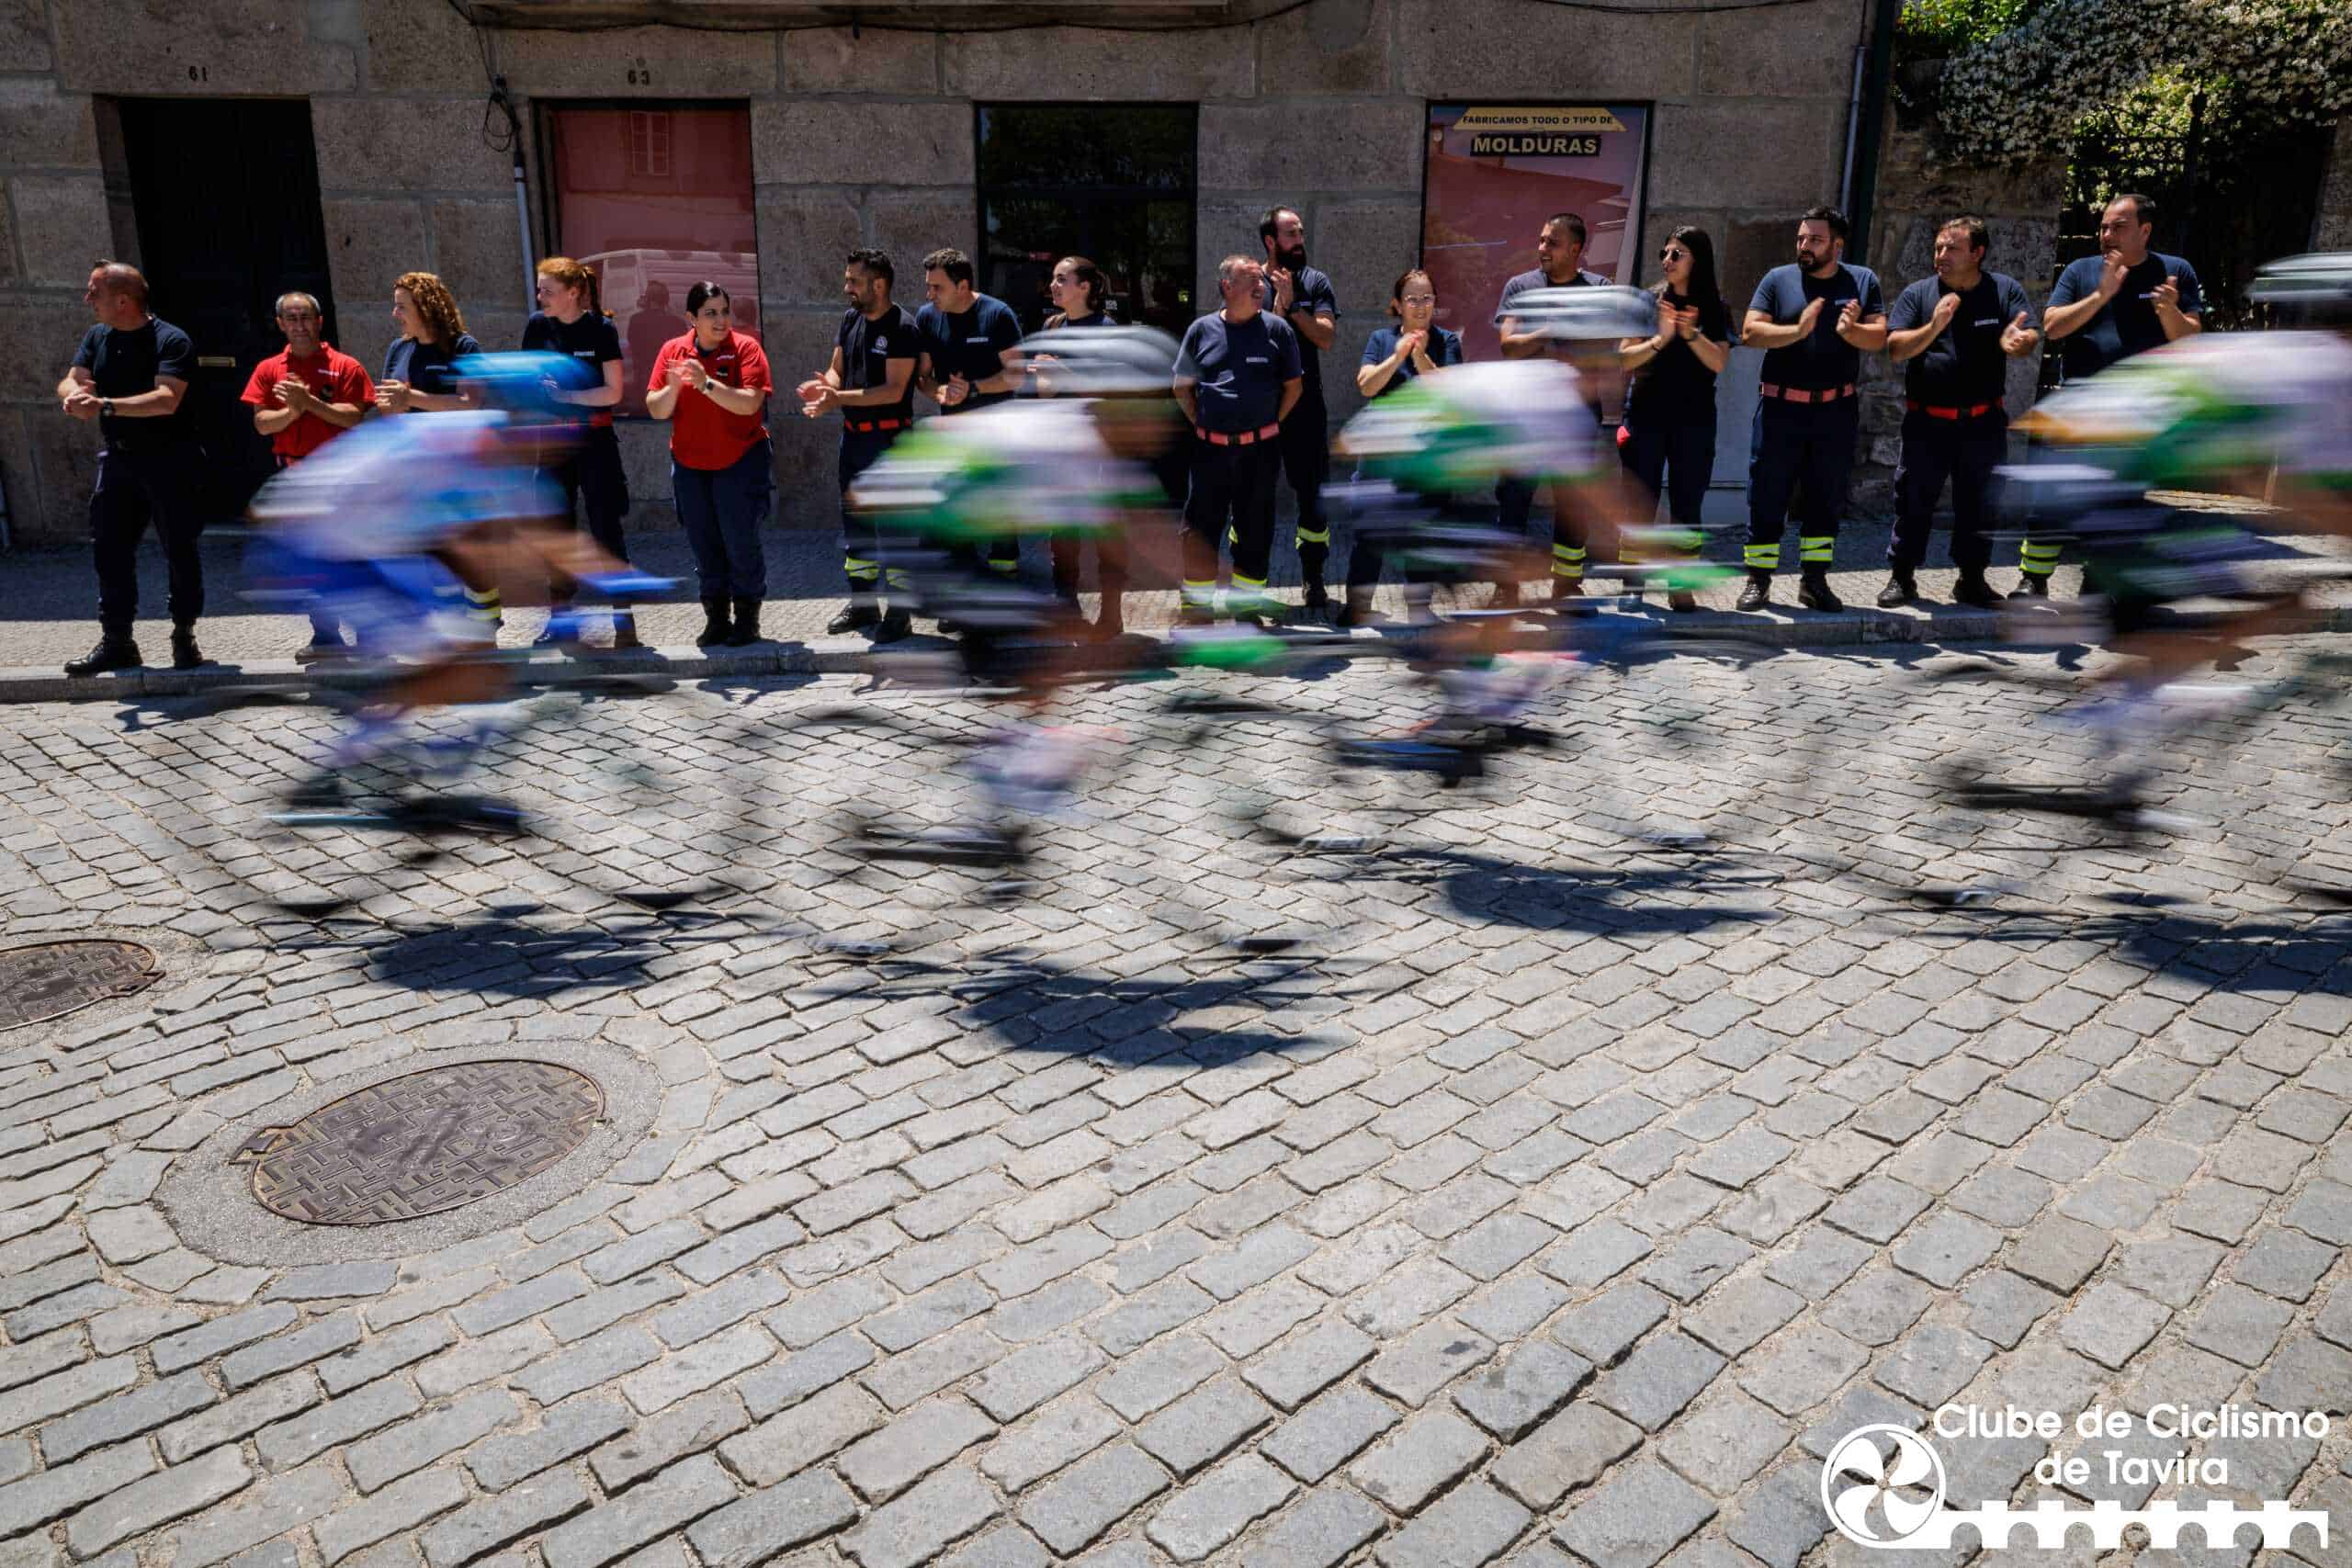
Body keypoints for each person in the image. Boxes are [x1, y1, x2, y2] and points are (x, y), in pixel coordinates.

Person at [1986, 252, 2352, 810]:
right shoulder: (2325, 370)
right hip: (2092, 476)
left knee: (2177, 610)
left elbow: (2263, 477)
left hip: (2084, 463)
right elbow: (2303, 494)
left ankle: (2122, 713)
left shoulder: (2285, 354)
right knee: (2280, 598)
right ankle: (2108, 715)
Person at [2015, 193, 2204, 599]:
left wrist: (2168, 311)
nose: (2106, 235)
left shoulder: (2174, 271)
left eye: (2118, 227)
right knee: (2052, 495)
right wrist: (2100, 295)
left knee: (2118, 501)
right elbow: (2054, 326)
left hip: (2137, 410)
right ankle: (2033, 579)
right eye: (2103, 226)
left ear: (2145, 231)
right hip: (2077, 405)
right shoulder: (2082, 271)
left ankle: (2097, 584)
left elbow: (2190, 339)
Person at [1878, 216, 2041, 609]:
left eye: (1951, 248)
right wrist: (1934, 325)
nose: (1941, 256)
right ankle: (1902, 577)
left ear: (1977, 253)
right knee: (1914, 501)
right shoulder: (1919, 294)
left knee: (1981, 503)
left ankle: (1972, 579)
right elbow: (1896, 348)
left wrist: (2016, 342)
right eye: (1937, 248)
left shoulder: (2003, 290)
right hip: (1927, 422)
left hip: (1983, 422)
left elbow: (2029, 336)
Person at [55, 261, 207, 676]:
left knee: (179, 548)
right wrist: (74, 395)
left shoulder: (170, 340)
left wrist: (104, 405)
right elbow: (71, 378)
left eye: (94, 292)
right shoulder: (97, 335)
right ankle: (118, 641)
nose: (88, 299)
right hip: (119, 459)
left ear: (122, 300)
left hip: (170, 459)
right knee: (110, 550)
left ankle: (183, 635)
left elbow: (166, 399)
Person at [1737, 204, 1887, 613]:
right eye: (1801, 237)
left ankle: (1814, 581)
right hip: (1781, 407)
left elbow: (1880, 338)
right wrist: (1797, 330)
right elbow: (1750, 332)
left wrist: (1853, 330)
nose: (1804, 245)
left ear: (1837, 245)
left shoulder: (1862, 280)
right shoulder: (1778, 280)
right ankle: (1758, 581)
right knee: (1768, 494)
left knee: (1826, 495)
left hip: (1835, 410)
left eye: (1815, 239)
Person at [241, 290, 374, 662]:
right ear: (281, 324)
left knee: (354, 555)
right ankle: (326, 636)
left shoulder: (346, 365)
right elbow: (263, 424)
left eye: (306, 318)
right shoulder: (269, 370)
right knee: (313, 561)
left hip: (343, 474)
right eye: (291, 318)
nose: (299, 325)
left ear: (319, 321)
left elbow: (353, 416)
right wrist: (294, 412)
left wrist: (309, 403)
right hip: (296, 474)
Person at [1174, 255, 1303, 624]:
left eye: (1261, 281)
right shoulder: (1201, 330)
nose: (1260, 286)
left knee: (1255, 528)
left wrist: (1266, 425)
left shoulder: (1279, 331)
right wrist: (1203, 421)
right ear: (1227, 286)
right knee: (1199, 530)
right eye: (1251, 280)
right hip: (1209, 450)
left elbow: (1294, 387)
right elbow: (1181, 387)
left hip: (1259, 451)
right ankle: (1197, 611)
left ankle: (1245, 609)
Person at [800, 248, 919, 643]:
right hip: (854, 440)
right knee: (858, 525)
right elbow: (837, 367)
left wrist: (839, 398)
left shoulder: (903, 326)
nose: (846, 286)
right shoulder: (850, 318)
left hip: (891, 440)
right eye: (847, 278)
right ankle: (864, 605)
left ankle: (899, 614)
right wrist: (826, 387)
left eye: (853, 280)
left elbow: (893, 390)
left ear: (878, 284)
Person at [1492, 212, 1611, 601]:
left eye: (1552, 242)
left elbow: (1598, 352)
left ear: (1576, 249)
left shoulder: (1599, 289)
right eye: (1542, 240)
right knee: (1513, 500)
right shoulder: (1521, 287)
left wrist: (1542, 344)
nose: (1542, 248)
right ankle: (1506, 588)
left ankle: (1567, 586)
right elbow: (1509, 346)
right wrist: (1552, 330)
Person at [647, 281, 773, 648]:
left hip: (739, 460)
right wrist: (672, 387)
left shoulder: (746, 348)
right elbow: (657, 409)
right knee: (704, 543)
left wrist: (705, 385)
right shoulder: (673, 351)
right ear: (691, 319)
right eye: (710, 313)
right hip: (690, 464)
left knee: (740, 542)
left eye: (724, 311)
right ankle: (716, 618)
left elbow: (750, 404)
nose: (721, 321)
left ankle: (747, 620)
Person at [521, 257, 637, 650]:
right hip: (553, 444)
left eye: (547, 291)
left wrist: (566, 396)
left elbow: (614, 392)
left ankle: (623, 622)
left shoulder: (600, 328)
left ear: (573, 293)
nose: (540, 297)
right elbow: (525, 380)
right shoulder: (538, 326)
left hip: (596, 443)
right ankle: (561, 621)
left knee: (606, 528)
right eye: (539, 290)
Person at [376, 272, 498, 640]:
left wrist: (411, 399)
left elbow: (470, 403)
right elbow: (389, 407)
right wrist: (393, 406)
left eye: (402, 306)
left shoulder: (463, 348)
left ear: (426, 307)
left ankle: (484, 632)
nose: (395, 314)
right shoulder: (398, 350)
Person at [1615, 227, 1731, 613]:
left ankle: (1680, 586)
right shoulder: (1647, 302)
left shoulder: (1715, 306)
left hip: (1694, 421)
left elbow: (1719, 362)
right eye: (1665, 252)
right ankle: (1632, 586)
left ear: (1697, 259)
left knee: (1687, 506)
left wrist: (1691, 334)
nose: (1667, 260)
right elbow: (1626, 358)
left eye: (1677, 254)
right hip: (1646, 416)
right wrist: (1662, 338)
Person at [1340, 266, 1463, 626]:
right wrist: (1396, 356)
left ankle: (1419, 609)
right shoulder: (1380, 339)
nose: (1421, 305)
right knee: (1369, 536)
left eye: (1427, 298)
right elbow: (1366, 386)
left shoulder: (1447, 341)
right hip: (1380, 457)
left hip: (1427, 459)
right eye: (1412, 298)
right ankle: (1357, 608)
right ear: (1397, 304)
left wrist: (1420, 355)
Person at [1033, 256, 1132, 637]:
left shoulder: (1107, 331)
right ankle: (1066, 605)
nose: (1054, 286)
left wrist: (1064, 372)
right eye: (1054, 280)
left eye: (1062, 279)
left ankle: (1111, 614)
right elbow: (1046, 392)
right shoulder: (1052, 326)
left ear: (1085, 287)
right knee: (1063, 533)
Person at [915, 247, 1026, 580]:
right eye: (929, 286)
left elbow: (1016, 374)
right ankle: (964, 579)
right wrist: (938, 392)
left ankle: (1005, 572)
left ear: (962, 286)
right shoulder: (927, 317)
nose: (930, 294)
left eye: (938, 287)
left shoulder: (997, 314)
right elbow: (923, 376)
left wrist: (973, 388)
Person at [1259, 208, 1340, 615]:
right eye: (1291, 234)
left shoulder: (1316, 281)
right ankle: (1250, 583)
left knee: (1312, 496)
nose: (1300, 240)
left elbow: (1325, 337)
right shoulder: (1248, 282)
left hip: (1307, 409)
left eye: (1301, 232)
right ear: (1271, 241)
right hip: (1261, 409)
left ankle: (1314, 579)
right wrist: (1277, 306)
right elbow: (1258, 345)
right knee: (1253, 497)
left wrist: (1294, 308)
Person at [625, 280, 674, 418]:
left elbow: (633, 345)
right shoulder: (677, 322)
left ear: (648, 299)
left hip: (644, 379)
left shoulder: (636, 320)